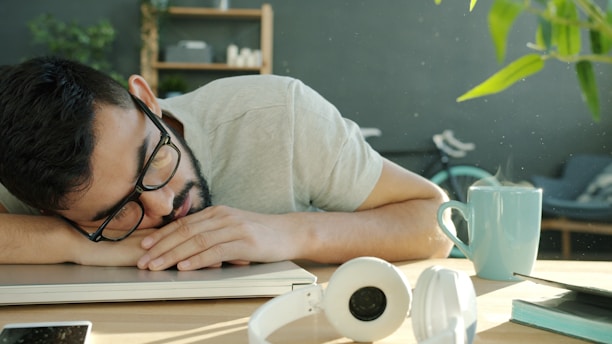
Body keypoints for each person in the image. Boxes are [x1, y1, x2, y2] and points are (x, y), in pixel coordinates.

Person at [0, 56, 453, 271]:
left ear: (147, 101)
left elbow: (435, 224)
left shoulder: (279, 116)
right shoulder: (32, 177)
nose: (161, 206)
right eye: (115, 214)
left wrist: (293, 231)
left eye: (153, 161)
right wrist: (75, 244)